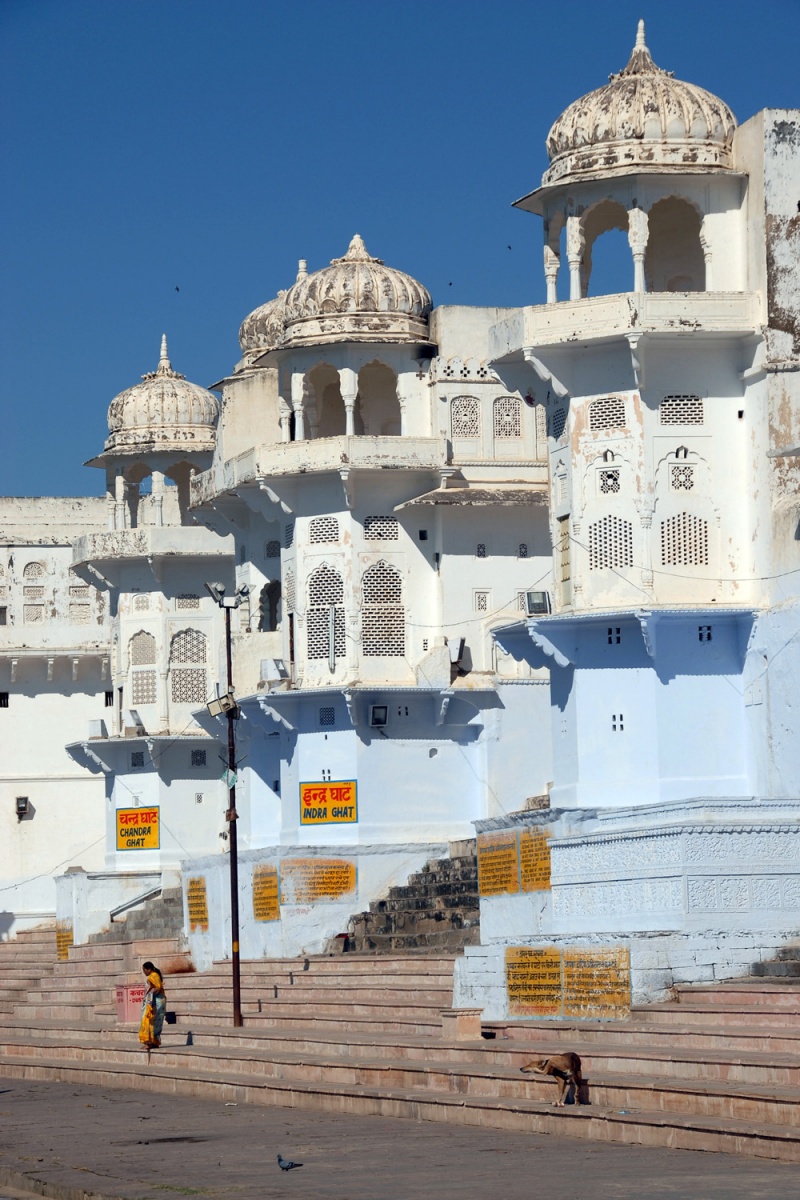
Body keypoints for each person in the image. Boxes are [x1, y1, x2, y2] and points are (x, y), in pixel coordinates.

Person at [139, 961, 167, 1049]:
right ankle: (155, 1042)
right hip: (158, 1001)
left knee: (149, 1020)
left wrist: (149, 994)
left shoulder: (153, 976)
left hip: (155, 1002)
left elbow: (157, 987)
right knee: (156, 1022)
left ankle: (149, 1043)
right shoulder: (155, 975)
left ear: (149, 969)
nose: (144, 972)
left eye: (144, 970)